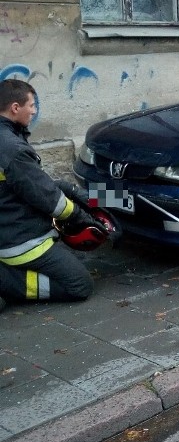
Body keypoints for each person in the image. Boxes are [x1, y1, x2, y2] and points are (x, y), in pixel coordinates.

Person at [0, 80, 100, 312]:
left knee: (99, 196)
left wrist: (74, 190)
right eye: (32, 105)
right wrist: (79, 215)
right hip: (20, 240)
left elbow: (25, 185)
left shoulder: (8, 138)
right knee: (80, 285)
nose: (34, 111)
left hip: (9, 225)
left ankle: (126, 199)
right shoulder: (12, 148)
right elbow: (47, 198)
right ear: (15, 108)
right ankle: (5, 282)